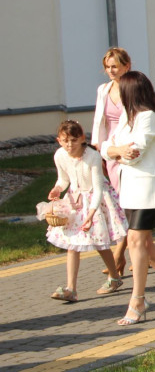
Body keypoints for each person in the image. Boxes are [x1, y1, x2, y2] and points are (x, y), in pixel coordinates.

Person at [101, 72, 155, 325]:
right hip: (131, 188)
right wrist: (117, 150)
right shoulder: (129, 118)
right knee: (144, 244)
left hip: (148, 188)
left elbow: (134, 154)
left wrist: (117, 151)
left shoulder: (148, 117)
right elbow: (106, 147)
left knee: (136, 241)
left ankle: (138, 299)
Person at [40, 120, 129, 302]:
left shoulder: (93, 156)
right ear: (59, 141)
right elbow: (63, 179)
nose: (70, 145)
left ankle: (114, 277)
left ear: (82, 138)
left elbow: (97, 188)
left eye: (73, 140)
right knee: (73, 243)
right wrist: (57, 189)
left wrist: (91, 214)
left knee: (99, 241)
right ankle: (71, 288)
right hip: (75, 199)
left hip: (97, 199)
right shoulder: (60, 155)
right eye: (65, 141)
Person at [92, 47, 131, 278]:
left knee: (128, 204)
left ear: (126, 65)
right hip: (110, 151)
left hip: (129, 149)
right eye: (107, 67)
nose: (111, 71)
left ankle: (119, 255)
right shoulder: (103, 90)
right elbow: (100, 120)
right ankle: (127, 250)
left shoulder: (133, 87)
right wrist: (100, 150)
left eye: (115, 66)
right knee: (117, 203)